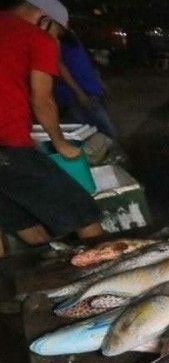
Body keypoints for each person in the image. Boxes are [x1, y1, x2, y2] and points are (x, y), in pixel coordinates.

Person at [0, 0, 102, 246]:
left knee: (21, 220)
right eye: (58, 32)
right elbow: (42, 100)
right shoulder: (38, 38)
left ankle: (44, 274)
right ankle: (106, 276)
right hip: (6, 142)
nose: (57, 40)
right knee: (84, 213)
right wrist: (60, 143)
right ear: (45, 19)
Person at [44, 19, 118, 138]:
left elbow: (84, 61)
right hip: (77, 94)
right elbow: (60, 68)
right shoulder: (53, 41)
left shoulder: (70, 38)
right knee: (104, 131)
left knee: (100, 131)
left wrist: (99, 82)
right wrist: (79, 92)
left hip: (90, 89)